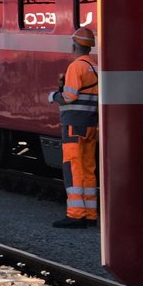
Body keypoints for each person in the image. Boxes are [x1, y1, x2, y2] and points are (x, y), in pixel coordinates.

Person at [48, 26, 99, 228]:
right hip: (90, 124)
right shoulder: (93, 66)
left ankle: (75, 214)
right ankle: (90, 214)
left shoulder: (76, 67)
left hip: (73, 125)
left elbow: (69, 96)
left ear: (75, 46)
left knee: (73, 166)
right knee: (88, 168)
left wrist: (54, 97)